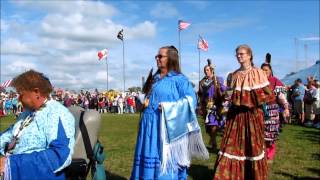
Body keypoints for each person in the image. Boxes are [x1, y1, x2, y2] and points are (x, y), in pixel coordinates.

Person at [131, 45, 208, 179]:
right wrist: (142, 102)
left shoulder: (180, 80)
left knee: (164, 160)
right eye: (156, 56)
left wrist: (169, 107)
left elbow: (191, 100)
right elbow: (145, 97)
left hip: (166, 128)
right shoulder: (153, 79)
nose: (157, 58)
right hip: (148, 126)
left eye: (160, 56)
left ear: (171, 58)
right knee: (148, 156)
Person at [213, 44, 274, 179]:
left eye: (242, 54)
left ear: (249, 55)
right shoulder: (233, 75)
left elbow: (269, 95)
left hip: (253, 115)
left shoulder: (258, 73)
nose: (239, 56)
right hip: (235, 116)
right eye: (237, 54)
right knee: (232, 145)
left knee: (252, 146)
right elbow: (229, 95)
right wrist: (225, 96)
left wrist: (251, 99)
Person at [0, 70, 75, 179]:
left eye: (21, 94)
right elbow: (10, 135)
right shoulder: (27, 113)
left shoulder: (57, 113)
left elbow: (60, 155)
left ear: (36, 92)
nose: (18, 99)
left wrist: (11, 165)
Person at [261, 53, 290, 163]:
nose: (264, 72)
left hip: (272, 110)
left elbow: (282, 97)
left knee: (271, 134)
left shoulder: (275, 81)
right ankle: (262, 153)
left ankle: (270, 154)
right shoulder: (258, 82)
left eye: (266, 70)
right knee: (261, 133)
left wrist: (286, 107)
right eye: (262, 70)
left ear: (270, 71)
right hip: (260, 110)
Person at [198, 59, 226, 151]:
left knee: (213, 124)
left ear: (212, 70)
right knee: (208, 127)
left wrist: (219, 85)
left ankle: (214, 144)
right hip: (206, 106)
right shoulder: (202, 82)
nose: (206, 71)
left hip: (216, 105)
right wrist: (201, 106)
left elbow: (224, 89)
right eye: (205, 70)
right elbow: (200, 94)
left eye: (208, 70)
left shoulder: (218, 79)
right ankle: (213, 140)